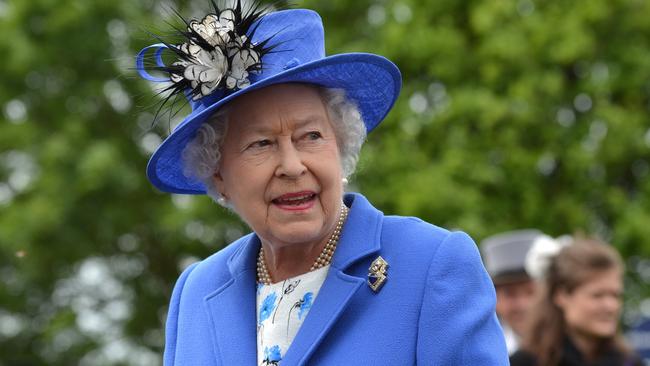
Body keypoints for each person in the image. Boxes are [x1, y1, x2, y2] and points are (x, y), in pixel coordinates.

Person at [136, 2, 508, 365]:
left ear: (341, 144)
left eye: (311, 136)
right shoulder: (196, 291)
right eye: (261, 143)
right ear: (218, 173)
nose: (292, 166)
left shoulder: (432, 264)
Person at [510, 237, 642, 366]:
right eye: (597, 295)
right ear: (561, 296)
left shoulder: (628, 362)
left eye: (615, 295)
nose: (610, 306)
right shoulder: (526, 362)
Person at [482, 229, 541, 355]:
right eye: (510, 294)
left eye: (531, 292)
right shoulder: (486, 351)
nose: (522, 305)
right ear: (494, 298)